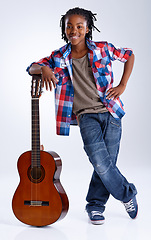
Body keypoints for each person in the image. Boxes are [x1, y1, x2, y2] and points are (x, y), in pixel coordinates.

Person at [27, 7, 138, 225]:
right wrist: (44, 69)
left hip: (111, 112)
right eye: (69, 26)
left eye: (79, 26)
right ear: (64, 29)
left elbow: (129, 55)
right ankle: (127, 194)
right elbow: (31, 68)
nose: (73, 30)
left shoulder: (103, 49)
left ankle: (95, 206)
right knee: (100, 161)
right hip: (85, 115)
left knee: (106, 163)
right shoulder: (59, 56)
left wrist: (123, 84)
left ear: (87, 29)